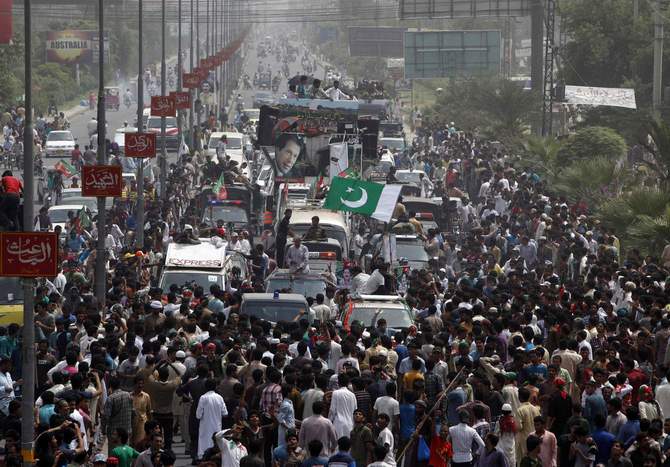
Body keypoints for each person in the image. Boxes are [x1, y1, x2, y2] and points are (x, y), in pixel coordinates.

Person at [196, 378, 229, 460]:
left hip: (205, 428)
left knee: (204, 449)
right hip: (217, 427)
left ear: (205, 387)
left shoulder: (203, 398)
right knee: (216, 445)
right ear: (215, 387)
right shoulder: (219, 397)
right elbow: (225, 413)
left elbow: (198, 415)